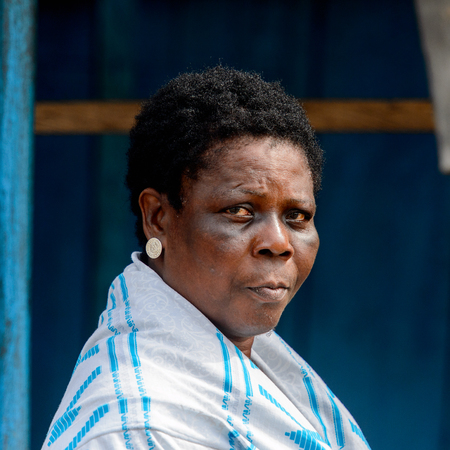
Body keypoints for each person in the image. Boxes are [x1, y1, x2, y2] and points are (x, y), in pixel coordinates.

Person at [42, 66, 371, 450]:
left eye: (297, 216)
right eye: (240, 211)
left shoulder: (262, 368)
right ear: (157, 218)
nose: (279, 243)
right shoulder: (140, 430)